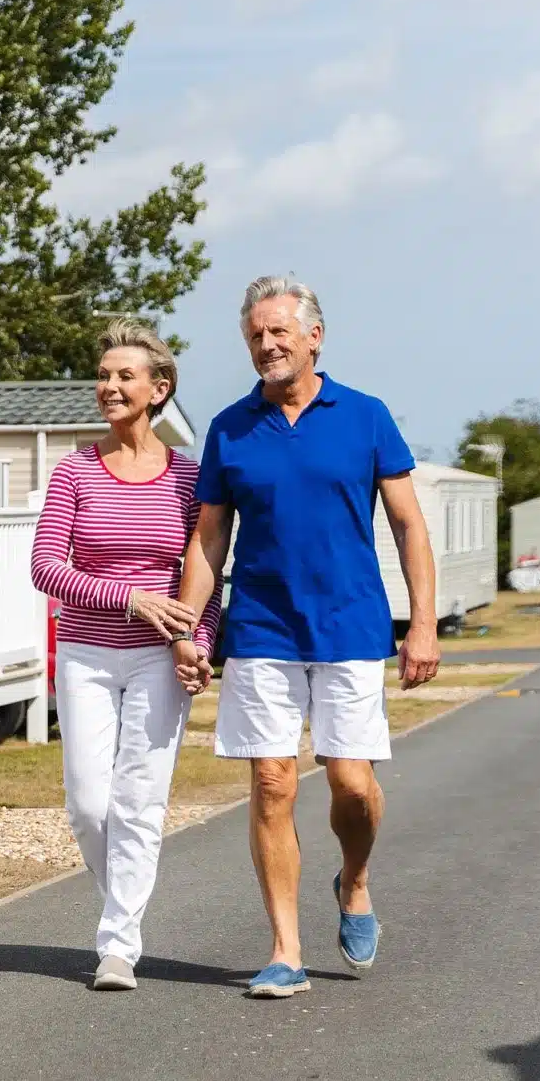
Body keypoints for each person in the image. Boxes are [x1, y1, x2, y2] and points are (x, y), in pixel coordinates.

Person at [173, 277, 439, 1000]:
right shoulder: (229, 428)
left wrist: (421, 623)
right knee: (271, 781)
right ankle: (285, 949)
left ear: (314, 337)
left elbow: (409, 524)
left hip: (351, 624)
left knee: (351, 782)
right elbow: (209, 538)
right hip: (261, 625)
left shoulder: (366, 416)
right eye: (255, 335)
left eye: (279, 331)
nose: (267, 345)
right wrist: (191, 628)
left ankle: (354, 878)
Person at [31, 319, 224, 991]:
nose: (108, 386)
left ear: (158, 389)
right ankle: (123, 908)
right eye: (104, 375)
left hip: (156, 662)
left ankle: (117, 945)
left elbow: (204, 575)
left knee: (139, 800)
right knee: (89, 804)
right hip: (85, 652)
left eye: (124, 376)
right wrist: (131, 599)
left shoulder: (191, 480)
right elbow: (46, 569)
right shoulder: (75, 471)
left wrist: (198, 644)